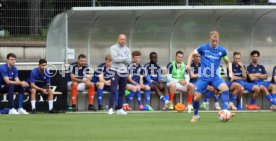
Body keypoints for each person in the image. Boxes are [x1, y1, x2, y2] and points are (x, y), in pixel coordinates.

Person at [187, 31, 232, 122]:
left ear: (218, 39)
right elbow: (192, 53)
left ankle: (225, 110)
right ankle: (196, 115)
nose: (215, 42)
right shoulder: (203, 47)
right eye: (213, 41)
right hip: (203, 77)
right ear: (210, 39)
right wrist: (188, 65)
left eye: (216, 41)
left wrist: (230, 72)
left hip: (215, 76)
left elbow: (227, 61)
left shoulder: (222, 50)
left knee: (225, 89)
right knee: (196, 98)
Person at [108, 33, 131, 115]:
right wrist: (124, 58)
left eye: (124, 39)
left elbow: (129, 61)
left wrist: (121, 58)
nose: (123, 41)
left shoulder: (127, 49)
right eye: (121, 39)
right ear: (118, 39)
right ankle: (110, 108)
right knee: (113, 90)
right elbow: (115, 59)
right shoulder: (113, 48)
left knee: (122, 91)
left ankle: (119, 108)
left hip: (124, 71)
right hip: (115, 70)